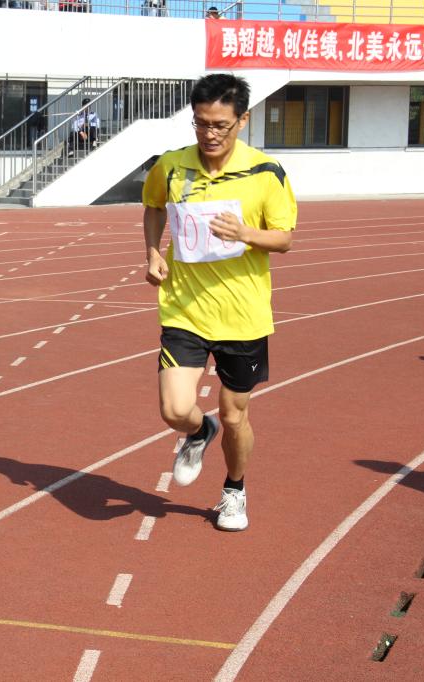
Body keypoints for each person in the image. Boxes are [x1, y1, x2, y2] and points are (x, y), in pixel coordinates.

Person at [141, 73, 296, 532]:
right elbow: (153, 207)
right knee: (174, 409)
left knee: (233, 415)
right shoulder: (171, 166)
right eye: (201, 123)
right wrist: (152, 252)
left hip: (243, 316)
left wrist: (245, 233)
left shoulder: (265, 173)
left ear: (242, 121)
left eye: (220, 125)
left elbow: (284, 238)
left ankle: (234, 490)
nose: (209, 134)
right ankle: (197, 430)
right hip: (185, 308)